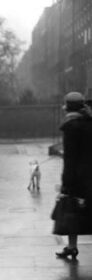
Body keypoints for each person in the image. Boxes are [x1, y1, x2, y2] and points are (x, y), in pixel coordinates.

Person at [55, 91, 92, 259]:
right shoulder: (89, 122)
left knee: (72, 211)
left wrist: (66, 181)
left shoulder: (71, 126)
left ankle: (71, 246)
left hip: (78, 176)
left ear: (67, 107)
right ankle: (71, 247)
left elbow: (70, 158)